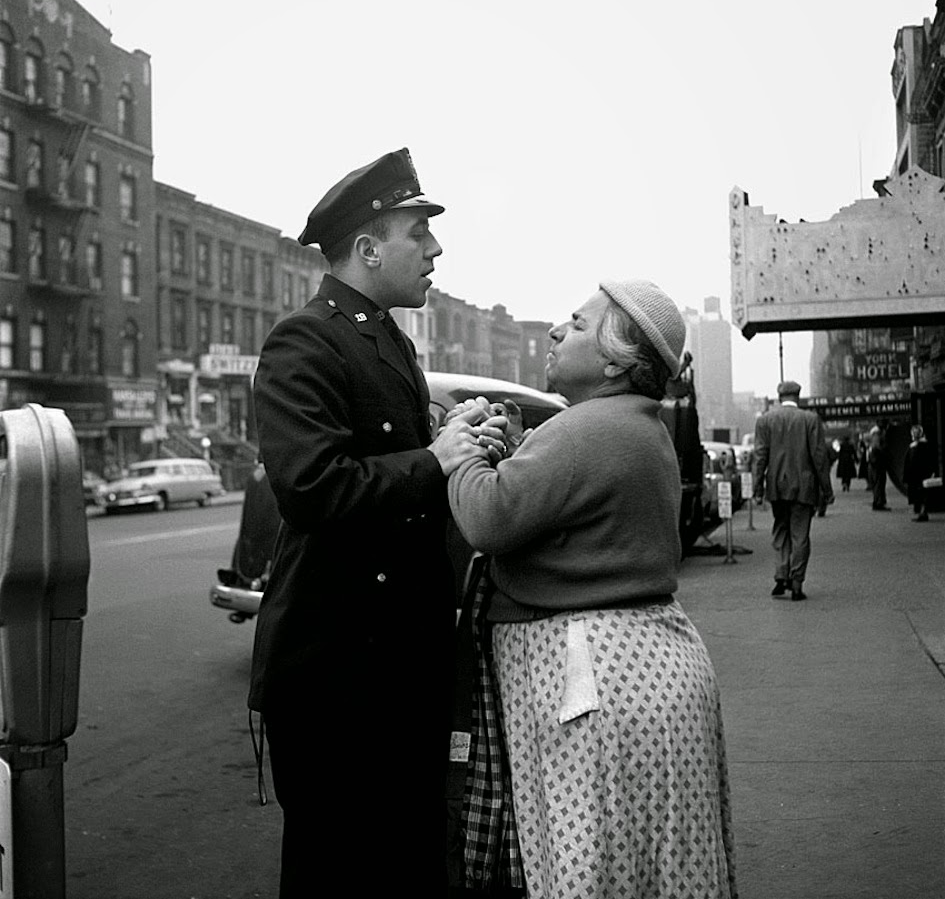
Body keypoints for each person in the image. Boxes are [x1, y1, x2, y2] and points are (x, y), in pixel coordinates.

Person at [248, 148, 501, 897]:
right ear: (367, 248)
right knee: (340, 867)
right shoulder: (305, 339)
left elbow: (392, 450)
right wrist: (436, 456)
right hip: (337, 679)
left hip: (395, 666)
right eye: (417, 232)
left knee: (403, 860)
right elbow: (311, 485)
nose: (434, 249)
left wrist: (460, 435)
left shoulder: (386, 337)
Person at [448, 281, 737, 898]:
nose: (556, 331)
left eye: (576, 325)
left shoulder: (585, 430)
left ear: (614, 361)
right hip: (644, 671)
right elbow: (573, 508)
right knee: (653, 864)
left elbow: (488, 518)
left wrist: (458, 453)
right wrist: (524, 448)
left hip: (593, 684)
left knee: (593, 862)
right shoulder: (630, 425)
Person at [752, 380, 834, 601]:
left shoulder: (765, 421)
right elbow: (819, 457)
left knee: (780, 530)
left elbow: (760, 457)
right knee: (800, 535)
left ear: (779, 397)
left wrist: (757, 487)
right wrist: (827, 489)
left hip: (777, 486)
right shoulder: (810, 420)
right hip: (804, 488)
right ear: (798, 396)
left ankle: (781, 574)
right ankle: (797, 583)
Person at [903, 424, 937, 522]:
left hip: (918, 474)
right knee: (922, 493)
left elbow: (910, 462)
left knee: (921, 494)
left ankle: (923, 513)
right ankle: (923, 512)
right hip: (921, 473)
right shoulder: (925, 445)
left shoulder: (914, 446)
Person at [867, 424, 890, 511]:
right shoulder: (877, 435)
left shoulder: (874, 436)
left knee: (877, 483)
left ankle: (878, 501)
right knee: (879, 483)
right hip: (877, 464)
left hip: (874, 463)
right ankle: (878, 502)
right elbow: (878, 447)